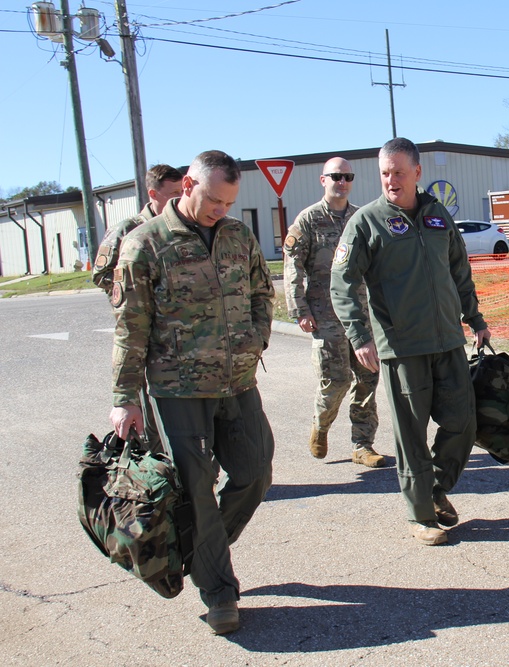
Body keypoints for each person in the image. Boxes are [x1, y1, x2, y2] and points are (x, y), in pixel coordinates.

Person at [108, 150, 275, 633]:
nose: (220, 210)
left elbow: (262, 293)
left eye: (228, 203)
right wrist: (125, 398)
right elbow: (130, 329)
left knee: (256, 472)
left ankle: (200, 551)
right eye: (213, 200)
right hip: (177, 390)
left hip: (237, 381)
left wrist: (256, 338)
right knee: (197, 491)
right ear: (187, 185)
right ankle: (219, 591)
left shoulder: (239, 237)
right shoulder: (145, 245)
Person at [329, 137, 490, 547]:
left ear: (417, 173)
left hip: (448, 340)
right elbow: (342, 283)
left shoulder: (438, 217)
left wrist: (475, 318)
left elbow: (459, 269)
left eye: (399, 172)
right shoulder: (366, 222)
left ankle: (435, 489)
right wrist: (360, 336)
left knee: (462, 422)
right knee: (411, 435)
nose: (391, 180)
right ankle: (421, 516)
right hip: (402, 348)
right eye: (385, 173)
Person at [283, 157, 384, 468]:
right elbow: (293, 268)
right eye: (336, 176)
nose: (342, 182)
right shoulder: (308, 220)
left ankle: (362, 445)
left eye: (347, 177)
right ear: (322, 180)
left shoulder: (360, 218)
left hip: (359, 313)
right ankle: (321, 425)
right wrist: (299, 309)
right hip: (324, 314)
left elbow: (376, 266)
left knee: (368, 378)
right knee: (336, 380)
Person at [92, 164, 184, 454]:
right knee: (147, 409)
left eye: (183, 192)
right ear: (153, 194)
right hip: (143, 328)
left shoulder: (182, 227)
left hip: (178, 333)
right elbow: (101, 273)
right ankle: (155, 464)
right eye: (173, 194)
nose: (180, 199)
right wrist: (135, 297)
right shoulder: (128, 229)